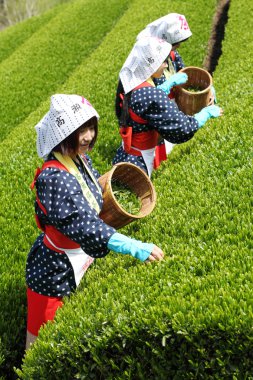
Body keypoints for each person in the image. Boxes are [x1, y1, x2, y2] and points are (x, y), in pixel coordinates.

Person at [25, 94, 164, 349]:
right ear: (62, 135)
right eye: (80, 131)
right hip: (54, 269)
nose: (88, 136)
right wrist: (132, 246)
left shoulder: (80, 158)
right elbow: (84, 224)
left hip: (79, 255)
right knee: (41, 339)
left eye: (91, 127)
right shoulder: (55, 177)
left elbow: (94, 192)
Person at [113, 37, 222, 177]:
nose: (165, 65)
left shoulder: (135, 82)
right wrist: (204, 115)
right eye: (162, 62)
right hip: (139, 160)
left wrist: (165, 88)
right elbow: (182, 129)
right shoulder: (149, 94)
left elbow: (145, 103)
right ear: (150, 64)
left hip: (127, 152)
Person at [136, 13, 216, 162]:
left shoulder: (172, 55)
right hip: (156, 116)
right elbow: (143, 98)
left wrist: (208, 89)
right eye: (174, 44)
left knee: (176, 147)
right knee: (160, 156)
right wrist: (168, 85)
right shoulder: (147, 62)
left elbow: (187, 76)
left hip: (173, 109)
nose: (177, 47)